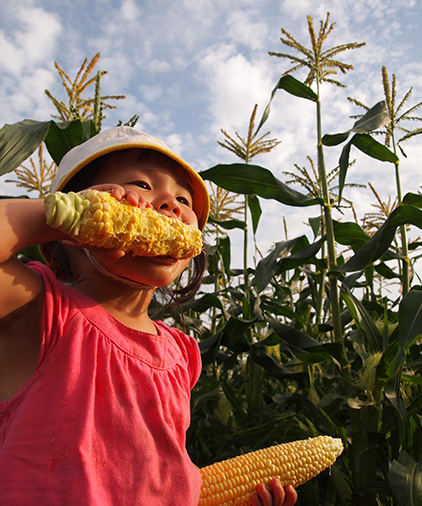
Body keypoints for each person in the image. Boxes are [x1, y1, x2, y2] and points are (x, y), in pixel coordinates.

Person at [0, 127, 297, 506]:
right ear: (68, 233)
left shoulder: (181, 354)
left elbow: (162, 480)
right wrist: (60, 213)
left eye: (183, 199)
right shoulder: (40, 311)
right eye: (141, 184)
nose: (171, 205)